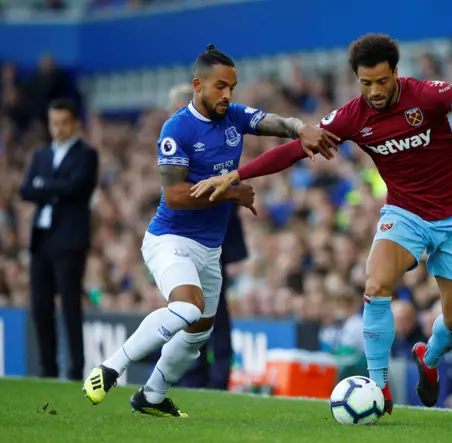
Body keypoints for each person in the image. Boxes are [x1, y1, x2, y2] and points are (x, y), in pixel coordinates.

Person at [192, 34, 452, 415]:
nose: (375, 91)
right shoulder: (350, 117)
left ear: (395, 72)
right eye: (366, 83)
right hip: (404, 214)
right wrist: (238, 174)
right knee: (376, 283)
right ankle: (378, 386)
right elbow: (296, 149)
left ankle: (428, 358)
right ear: (356, 80)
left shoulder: (425, 95)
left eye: (382, 81)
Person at [82, 44, 338, 417]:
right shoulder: (177, 129)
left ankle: (152, 395)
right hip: (170, 241)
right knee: (186, 308)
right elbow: (175, 196)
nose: (228, 95)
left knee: (198, 334)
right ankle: (109, 368)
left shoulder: (233, 116)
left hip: (210, 249)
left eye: (232, 87)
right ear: (198, 85)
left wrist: (303, 128)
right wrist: (232, 191)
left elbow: (275, 123)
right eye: (220, 87)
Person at [166, 83, 247, 390]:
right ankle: (193, 371)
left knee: (216, 308)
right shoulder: (174, 142)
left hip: (213, 237)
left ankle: (219, 374)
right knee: (186, 305)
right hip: (182, 239)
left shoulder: (214, 138)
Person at [19, 98, 99, 380]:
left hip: (69, 240)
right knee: (40, 306)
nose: (59, 128)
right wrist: (53, 189)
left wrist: (44, 186)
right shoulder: (41, 154)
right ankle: (47, 369)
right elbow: (25, 190)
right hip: (42, 239)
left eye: (64, 122)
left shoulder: (86, 154)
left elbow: (77, 189)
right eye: (54, 123)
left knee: (69, 306)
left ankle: (75, 370)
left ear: (75, 123)